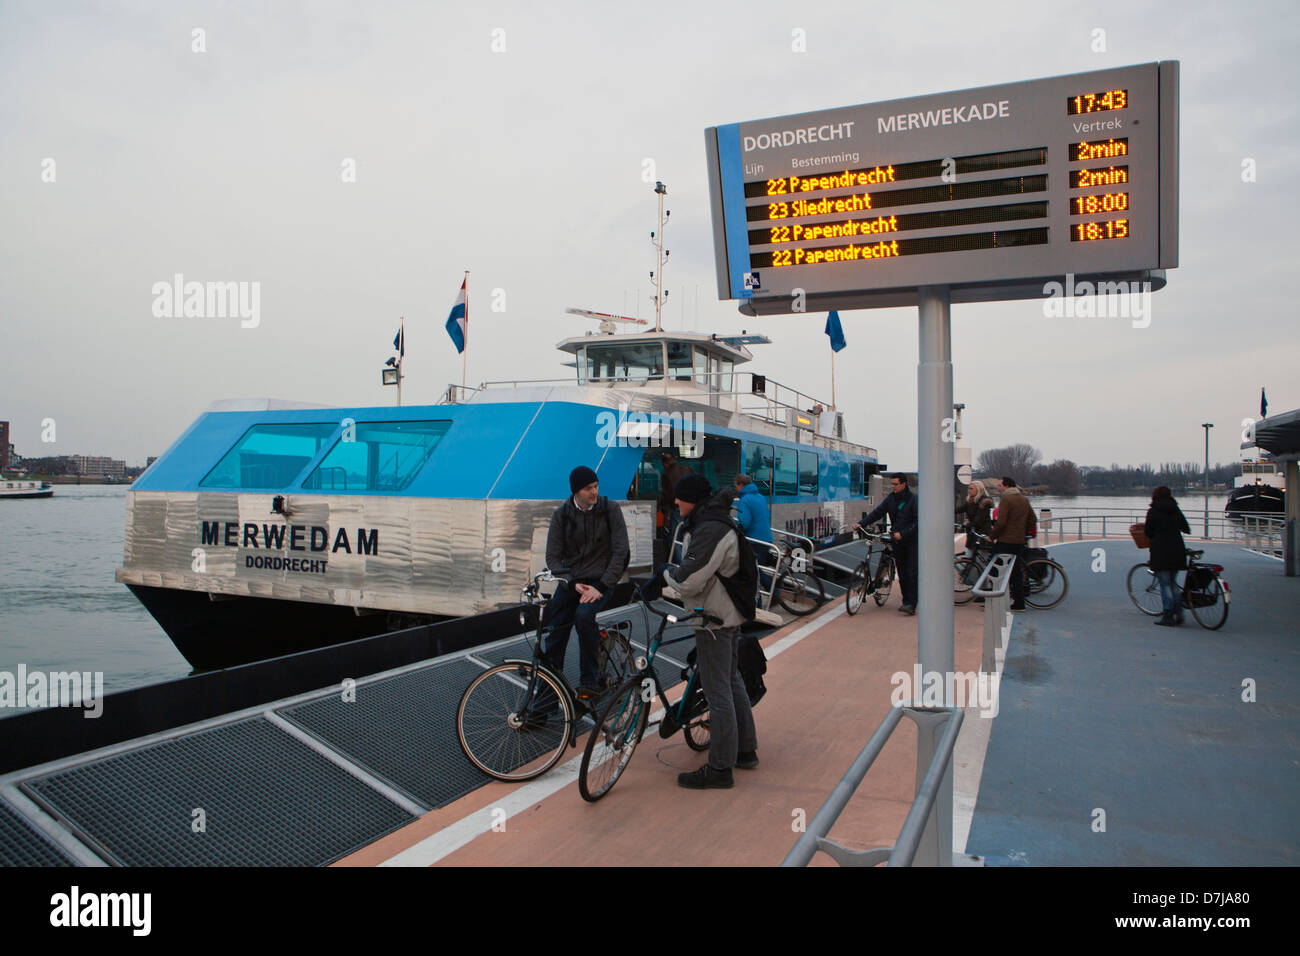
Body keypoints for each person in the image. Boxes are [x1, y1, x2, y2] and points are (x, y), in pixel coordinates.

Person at [664, 474, 759, 789]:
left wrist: (664, 575)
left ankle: (720, 768)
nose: (676, 503)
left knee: (718, 691)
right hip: (727, 613)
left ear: (692, 499)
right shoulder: (717, 521)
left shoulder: (710, 529)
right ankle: (745, 751)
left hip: (714, 619)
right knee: (731, 683)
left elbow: (689, 578)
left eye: (679, 498)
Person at [541, 466, 630, 698]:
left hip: (601, 581)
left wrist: (601, 586)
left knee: (583, 616)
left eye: (596, 486)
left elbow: (621, 552)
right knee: (555, 635)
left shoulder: (610, 510)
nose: (595, 492)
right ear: (576, 491)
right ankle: (544, 702)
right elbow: (552, 556)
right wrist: (571, 583)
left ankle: (590, 682)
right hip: (572, 583)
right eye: (589, 488)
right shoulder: (561, 515)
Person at [854, 473, 918, 614]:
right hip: (897, 540)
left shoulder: (913, 500)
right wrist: (861, 523)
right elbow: (878, 512)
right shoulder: (891, 499)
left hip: (911, 541)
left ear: (903, 484)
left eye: (895, 484)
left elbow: (918, 522)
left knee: (911, 572)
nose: (893, 487)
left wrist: (903, 533)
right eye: (892, 484)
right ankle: (906, 601)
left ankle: (911, 604)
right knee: (902, 572)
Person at [1143, 486, 1190, 626]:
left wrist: (1156, 536)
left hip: (1161, 550)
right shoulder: (1175, 510)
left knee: (1164, 584)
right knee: (1173, 582)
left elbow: (1148, 532)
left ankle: (1168, 615)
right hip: (1177, 549)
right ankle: (1179, 612)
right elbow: (1186, 528)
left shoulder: (1153, 511)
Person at [988, 476, 1036, 611]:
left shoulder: (1006, 500)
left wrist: (992, 537)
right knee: (1015, 572)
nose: (998, 488)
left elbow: (1001, 522)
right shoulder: (1024, 499)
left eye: (1000, 486)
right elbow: (1033, 519)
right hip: (1019, 541)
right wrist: (1022, 530)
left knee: (994, 567)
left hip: (1005, 540)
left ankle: (993, 598)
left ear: (1007, 486)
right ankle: (1019, 602)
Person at [733, 474, 774, 579]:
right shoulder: (760, 497)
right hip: (767, 538)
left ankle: (773, 592)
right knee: (756, 568)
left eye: (735, 486)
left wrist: (736, 529)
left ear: (740, 485)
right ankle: (768, 591)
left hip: (755, 540)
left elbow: (745, 522)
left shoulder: (744, 500)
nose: (735, 488)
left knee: (754, 570)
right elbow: (767, 515)